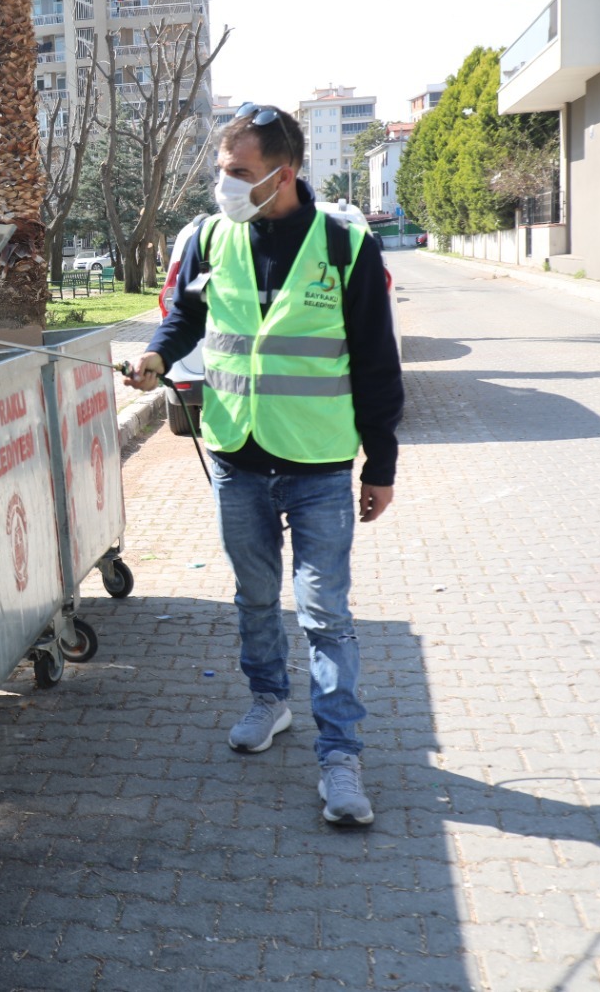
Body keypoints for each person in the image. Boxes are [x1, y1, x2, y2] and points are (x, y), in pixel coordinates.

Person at [124, 103, 403, 827]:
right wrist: (157, 354)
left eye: (238, 173)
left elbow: (376, 361)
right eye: (223, 170)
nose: (224, 185)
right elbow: (185, 315)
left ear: (283, 173)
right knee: (254, 598)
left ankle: (340, 758)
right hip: (234, 456)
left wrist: (382, 464)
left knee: (325, 614)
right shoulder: (212, 236)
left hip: (317, 464)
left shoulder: (344, 243)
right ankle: (268, 700)